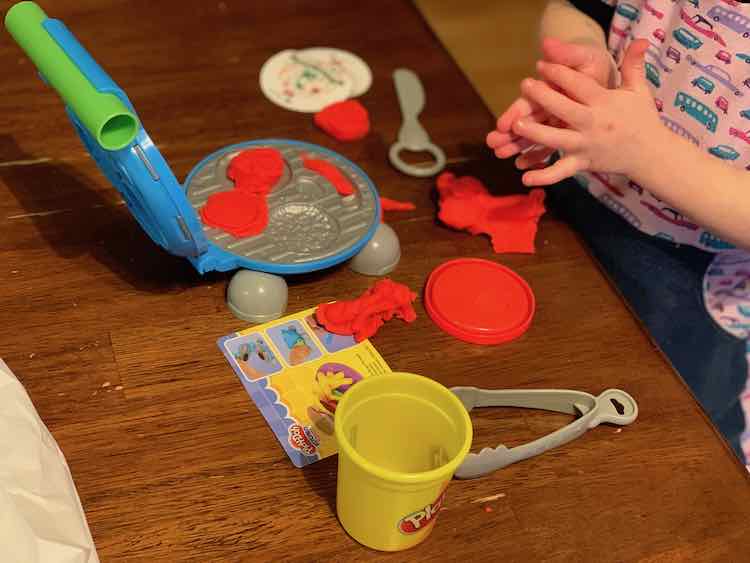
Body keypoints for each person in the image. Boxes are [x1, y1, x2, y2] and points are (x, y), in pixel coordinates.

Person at [487, 0, 750, 463]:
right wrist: (591, 63)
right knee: (541, 363)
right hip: (578, 199)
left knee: (676, 440)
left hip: (697, 281)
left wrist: (646, 152)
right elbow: (574, 9)